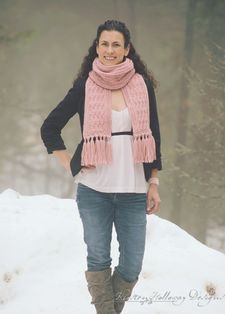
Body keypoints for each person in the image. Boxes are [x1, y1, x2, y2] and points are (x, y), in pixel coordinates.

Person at [40, 19, 162, 314]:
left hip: (133, 190)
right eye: (104, 44)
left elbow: (155, 135)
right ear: (97, 47)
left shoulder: (142, 85)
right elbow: (50, 128)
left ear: (127, 49)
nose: (109, 50)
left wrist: (154, 182)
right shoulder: (85, 86)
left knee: (132, 264)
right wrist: (71, 163)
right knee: (98, 260)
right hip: (94, 191)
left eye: (116, 44)